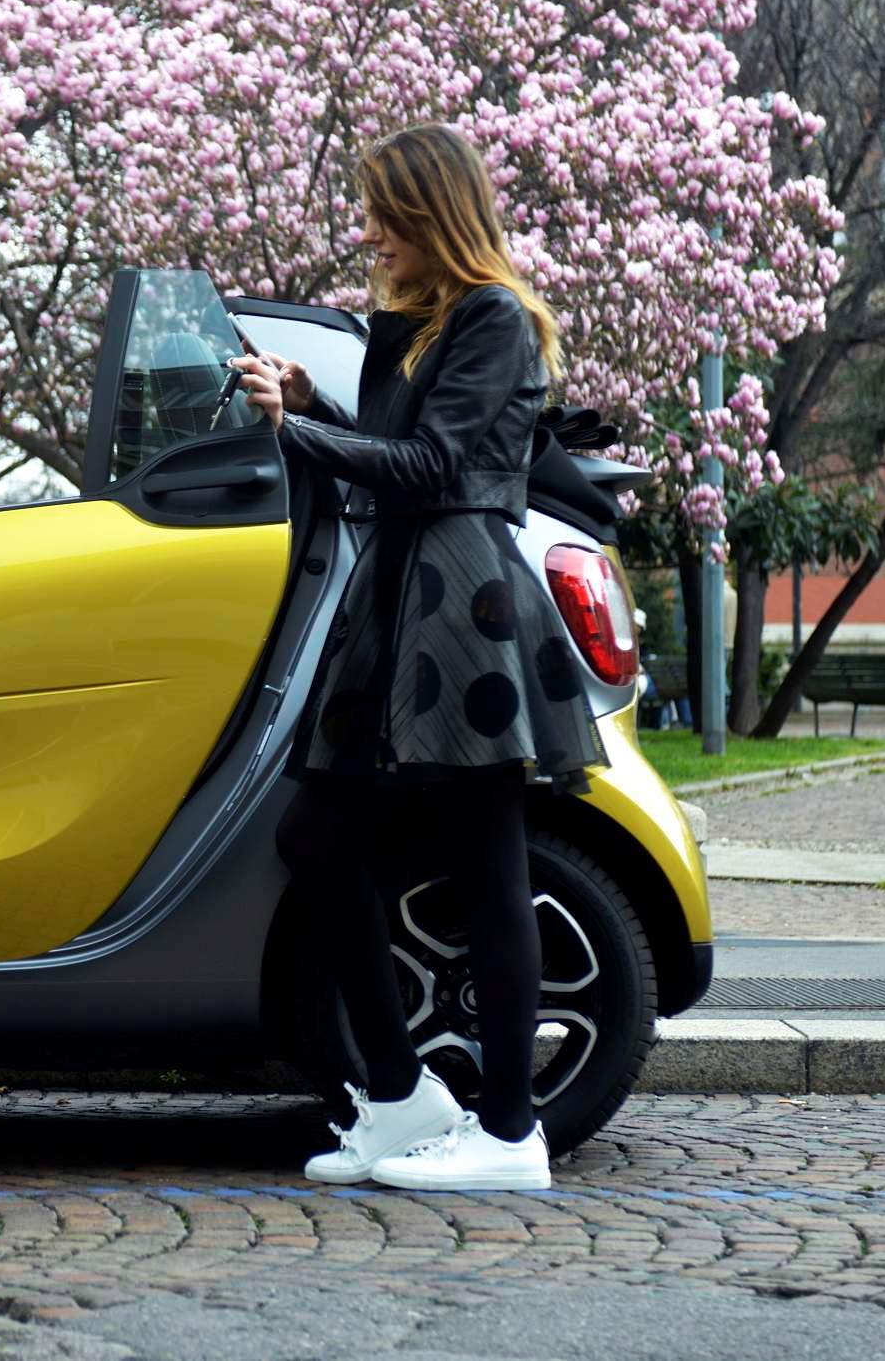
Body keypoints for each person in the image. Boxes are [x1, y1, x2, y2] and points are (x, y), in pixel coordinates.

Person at [230, 122, 606, 1192]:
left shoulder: (495, 318)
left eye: (384, 215)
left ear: (429, 212)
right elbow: (401, 443)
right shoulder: (423, 322)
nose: (369, 234)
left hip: (462, 606)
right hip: (404, 602)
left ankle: (509, 1128)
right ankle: (399, 1102)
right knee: (319, 836)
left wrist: (295, 434)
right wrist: (316, 403)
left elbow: (437, 465)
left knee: (490, 863)